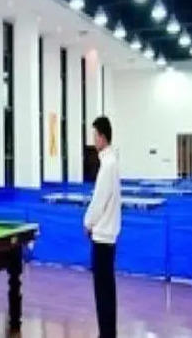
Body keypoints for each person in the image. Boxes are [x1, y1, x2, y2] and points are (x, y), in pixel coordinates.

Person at [84, 116, 121, 338]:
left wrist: (87, 222)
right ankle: (108, 332)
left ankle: (106, 333)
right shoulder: (111, 163)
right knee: (107, 289)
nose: (93, 139)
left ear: (102, 136)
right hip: (108, 235)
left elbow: (99, 201)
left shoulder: (108, 166)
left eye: (95, 135)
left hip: (102, 236)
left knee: (103, 291)